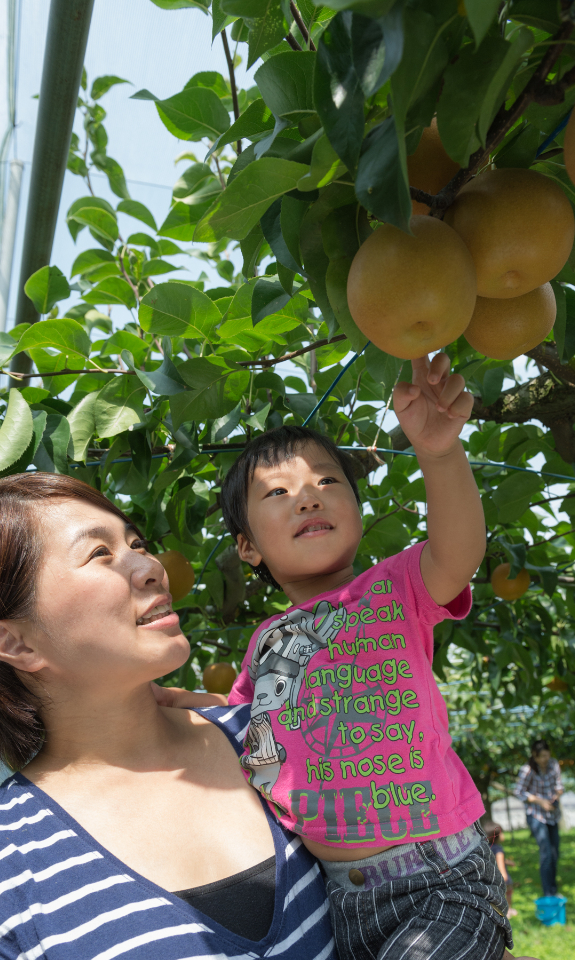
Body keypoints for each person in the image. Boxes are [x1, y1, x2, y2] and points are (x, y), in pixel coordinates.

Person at [218, 353, 513, 960]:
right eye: (277, 492)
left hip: (440, 881)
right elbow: (242, 730)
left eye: (328, 482)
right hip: (336, 901)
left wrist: (438, 453)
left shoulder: (394, 587)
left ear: (356, 510)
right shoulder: (266, 642)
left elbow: (459, 552)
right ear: (247, 546)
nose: (308, 498)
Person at [0, 473, 335, 960]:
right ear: (16, 643)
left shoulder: (272, 736)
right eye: (99, 554)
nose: (150, 567)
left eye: (137, 543)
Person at [515, 739, 564, 898]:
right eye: (540, 756)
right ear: (534, 757)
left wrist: (555, 798)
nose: (544, 759)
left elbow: (559, 786)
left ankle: (553, 888)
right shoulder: (528, 770)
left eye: (546, 755)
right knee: (546, 853)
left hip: (552, 814)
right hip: (536, 814)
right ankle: (548, 892)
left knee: (555, 852)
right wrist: (540, 801)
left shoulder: (553, 764)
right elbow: (519, 792)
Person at [482, 821, 517, 917]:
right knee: (508, 892)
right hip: (501, 877)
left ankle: (496, 911)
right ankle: (508, 910)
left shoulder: (486, 847)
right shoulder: (498, 849)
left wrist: (508, 862)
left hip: (490, 876)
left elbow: (495, 859)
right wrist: (505, 878)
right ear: (497, 835)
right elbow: (500, 863)